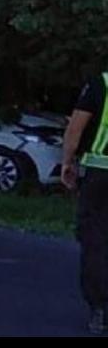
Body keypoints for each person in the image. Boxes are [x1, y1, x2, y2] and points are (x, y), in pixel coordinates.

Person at [62, 73, 108, 334]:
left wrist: (67, 162)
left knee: (95, 239)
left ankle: (100, 308)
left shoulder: (100, 84)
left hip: (101, 174)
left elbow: (75, 128)